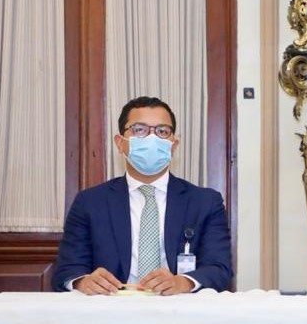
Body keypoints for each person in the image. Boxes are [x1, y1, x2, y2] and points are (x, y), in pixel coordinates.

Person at [52, 96, 232, 295]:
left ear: (173, 145)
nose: (152, 139)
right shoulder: (90, 202)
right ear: (120, 143)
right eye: (140, 130)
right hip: (112, 306)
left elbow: (219, 269)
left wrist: (182, 283)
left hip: (177, 307)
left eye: (162, 131)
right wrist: (83, 282)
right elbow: (66, 271)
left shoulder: (205, 202)